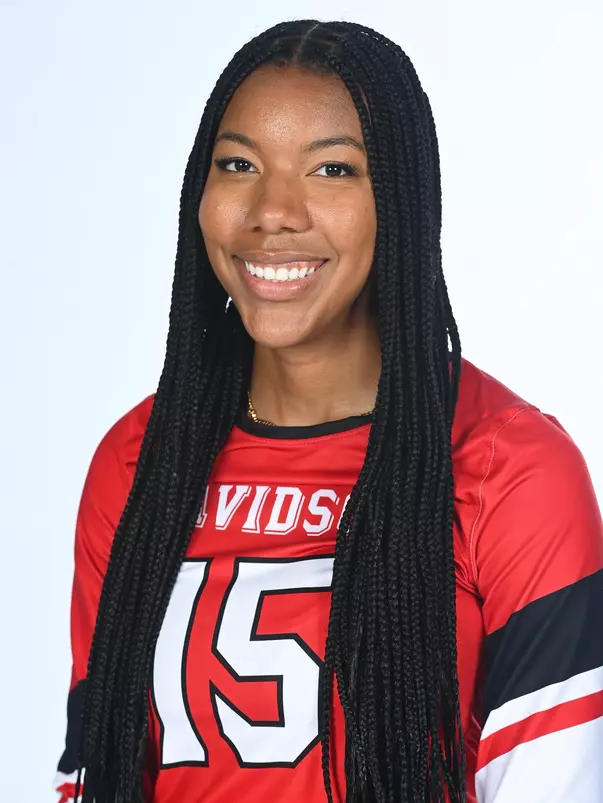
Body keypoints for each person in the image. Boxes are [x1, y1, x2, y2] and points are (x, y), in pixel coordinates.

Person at [54, 19, 603, 803]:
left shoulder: (508, 466)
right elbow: (97, 766)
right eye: (237, 163)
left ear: (401, 201)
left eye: (333, 170)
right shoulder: (140, 460)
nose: (273, 210)